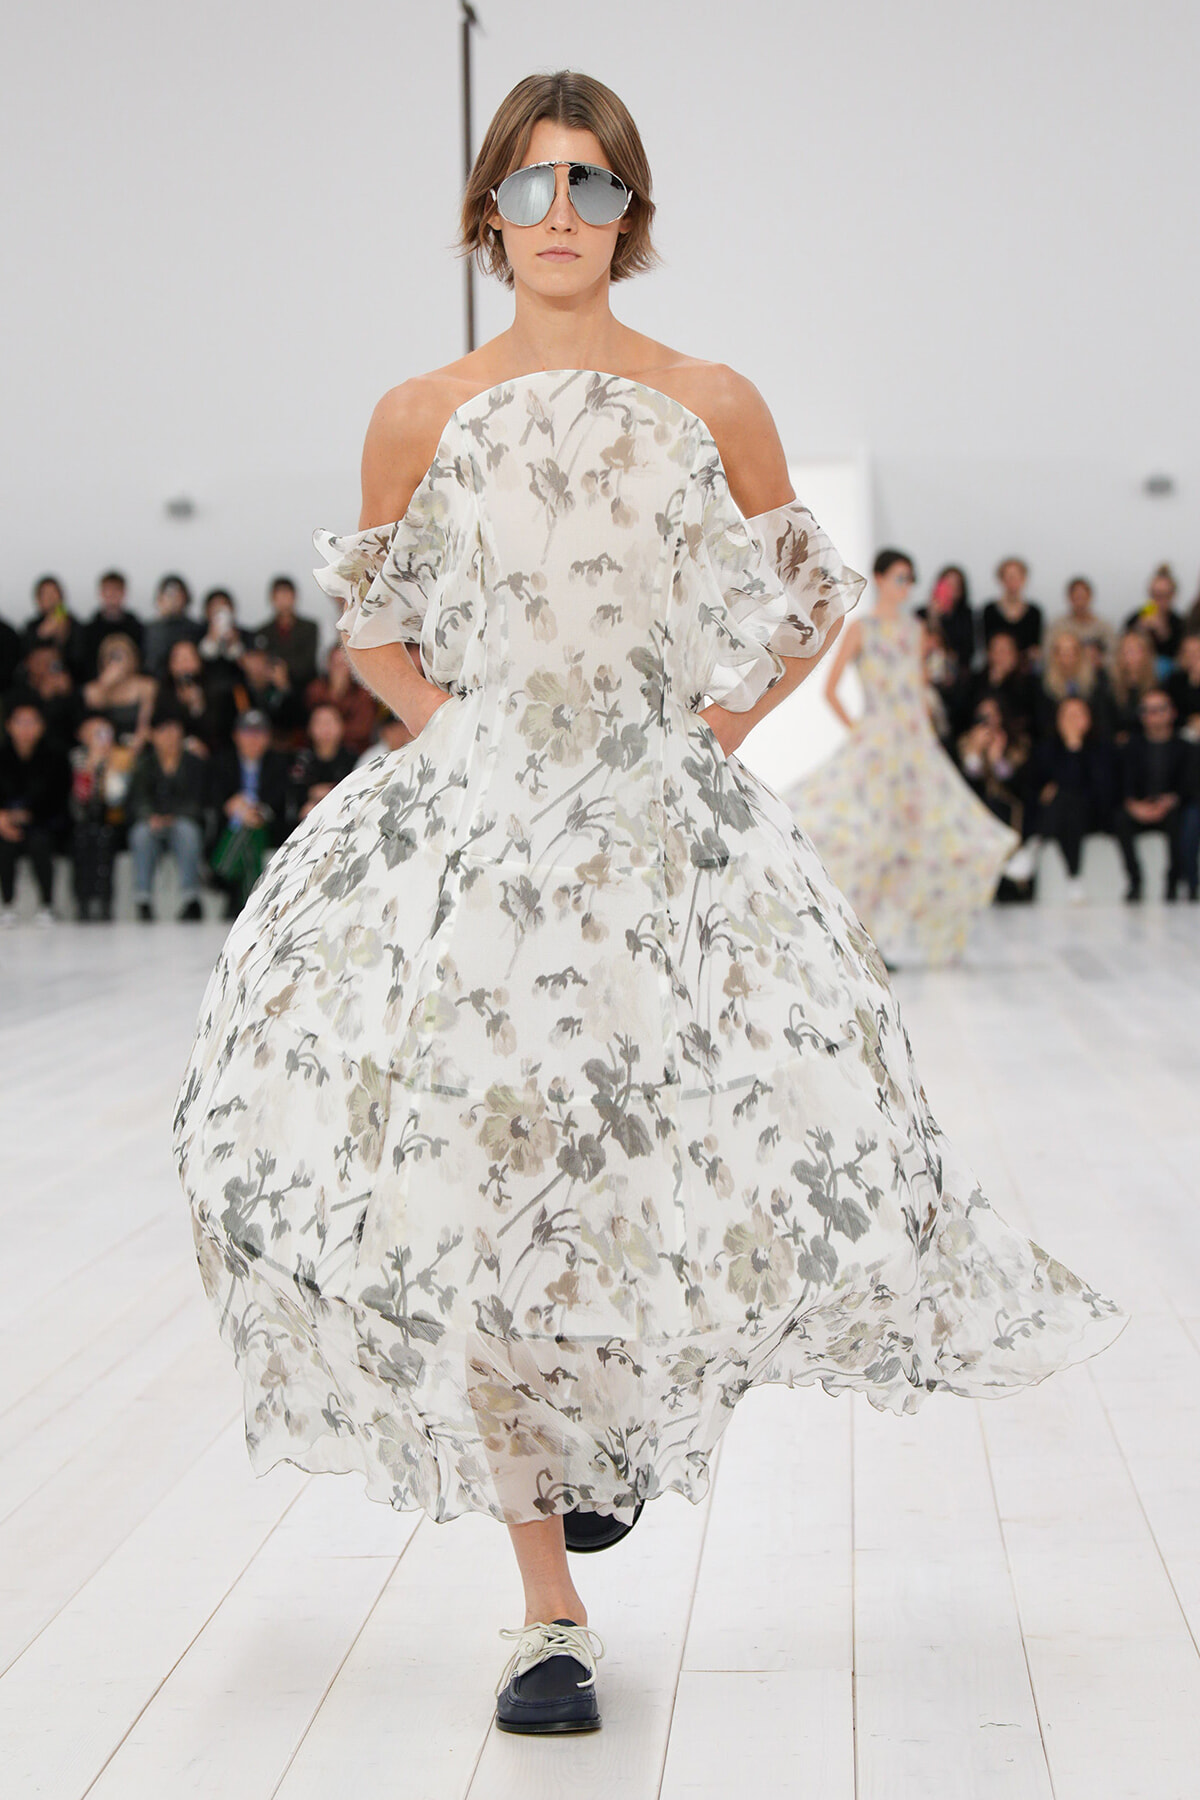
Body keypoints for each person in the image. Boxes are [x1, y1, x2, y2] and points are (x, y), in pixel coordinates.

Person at [172, 70, 1128, 1736]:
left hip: (659, 837)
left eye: (594, 185)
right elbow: (375, 631)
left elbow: (804, 597)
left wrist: (710, 741)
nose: (562, 215)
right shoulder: (420, 411)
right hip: (475, 841)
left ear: (634, 213)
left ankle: (596, 1428)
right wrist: (461, 738)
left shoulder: (709, 397)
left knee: (658, 1152)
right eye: (531, 185)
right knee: (474, 1178)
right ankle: (546, 1610)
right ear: (487, 213)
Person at [786, 548, 1019, 962]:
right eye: (899, 577)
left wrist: (925, 732)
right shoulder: (862, 629)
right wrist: (861, 731)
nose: (906, 586)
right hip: (879, 745)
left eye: (910, 579)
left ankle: (891, 935)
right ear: (878, 578)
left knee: (915, 835)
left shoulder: (914, 629)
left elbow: (917, 688)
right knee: (870, 836)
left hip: (912, 745)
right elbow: (830, 689)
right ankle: (862, 933)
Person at [1026, 696, 1116, 902]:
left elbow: (1101, 788)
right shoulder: (1046, 749)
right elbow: (1035, 788)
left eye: (1078, 715)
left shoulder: (1101, 748)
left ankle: (1034, 844)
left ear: (1089, 719)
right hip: (1060, 815)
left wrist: (1075, 749)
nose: (1072, 721)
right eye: (1067, 715)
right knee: (1065, 803)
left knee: (1068, 798)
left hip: (1094, 813)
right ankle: (1074, 878)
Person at [204, 708, 290, 916]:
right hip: (229, 828)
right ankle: (247, 904)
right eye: (247, 733)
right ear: (236, 736)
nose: (253, 739)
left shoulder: (278, 764)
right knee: (248, 838)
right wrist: (233, 806)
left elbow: (278, 800)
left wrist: (256, 812)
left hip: (264, 825)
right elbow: (215, 797)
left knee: (251, 830)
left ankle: (222, 872)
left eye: (259, 733)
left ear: (268, 738)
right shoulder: (222, 762)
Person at [125, 708, 208, 920]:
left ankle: (191, 898)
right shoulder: (144, 763)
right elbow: (138, 798)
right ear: (153, 735)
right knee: (141, 834)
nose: (169, 736)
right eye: (163, 731)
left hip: (182, 820)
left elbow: (199, 798)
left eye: (174, 730)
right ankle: (143, 899)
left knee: (188, 832)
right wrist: (150, 816)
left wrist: (175, 816)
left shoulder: (194, 763)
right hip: (153, 821)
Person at [1113, 689, 1195, 901]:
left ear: (1172, 712)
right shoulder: (1130, 747)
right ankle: (1135, 881)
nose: (1154, 715)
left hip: (1171, 808)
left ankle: (1173, 883)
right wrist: (1133, 805)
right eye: (1148, 710)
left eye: (1160, 709)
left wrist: (1171, 801)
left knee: (1182, 822)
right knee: (1120, 820)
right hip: (1140, 806)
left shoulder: (1186, 748)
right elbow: (1122, 782)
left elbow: (1190, 785)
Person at [0, 700, 70, 926]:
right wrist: (3, 819)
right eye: (20, 722)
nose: (26, 728)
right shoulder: (3, 755)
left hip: (44, 823)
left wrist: (29, 816)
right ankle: (7, 904)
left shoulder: (55, 757)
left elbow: (58, 798)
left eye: (32, 722)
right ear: (9, 725)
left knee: (40, 843)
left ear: (42, 726)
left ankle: (47, 904)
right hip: (6, 823)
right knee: (5, 845)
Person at [68, 713, 130, 921]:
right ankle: (83, 900)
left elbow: (116, 798)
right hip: (84, 819)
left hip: (112, 820)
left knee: (104, 839)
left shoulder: (121, 756)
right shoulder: (78, 757)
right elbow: (80, 799)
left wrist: (110, 767)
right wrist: (90, 768)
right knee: (83, 840)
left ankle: (105, 900)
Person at [81, 632, 157, 752]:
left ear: (132, 658)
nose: (116, 661)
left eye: (121, 655)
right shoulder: (94, 688)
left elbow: (145, 724)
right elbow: (93, 707)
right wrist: (105, 685)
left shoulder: (146, 685)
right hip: (105, 745)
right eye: (112, 656)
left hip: (134, 742)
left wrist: (134, 748)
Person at [285, 702, 358, 827]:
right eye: (319, 723)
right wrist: (310, 794)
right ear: (310, 728)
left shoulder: (353, 759)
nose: (325, 728)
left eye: (330, 722)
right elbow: (293, 796)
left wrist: (329, 793)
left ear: (342, 726)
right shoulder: (300, 759)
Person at [305, 640, 383, 755]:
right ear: (328, 665)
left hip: (355, 751)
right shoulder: (316, 689)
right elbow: (308, 720)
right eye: (335, 664)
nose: (338, 670)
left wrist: (331, 731)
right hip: (318, 750)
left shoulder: (363, 694)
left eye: (342, 664)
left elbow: (363, 729)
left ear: (351, 667)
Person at [251, 575, 320, 690]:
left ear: (294, 597)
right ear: (272, 599)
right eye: (279, 597)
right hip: (272, 686)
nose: (283, 601)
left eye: (286, 596)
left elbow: (308, 661)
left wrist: (283, 667)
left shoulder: (309, 627)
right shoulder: (263, 631)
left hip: (304, 685)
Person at [19, 575, 88, 683]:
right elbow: (24, 657)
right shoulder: (32, 627)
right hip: (38, 680)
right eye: (46, 594)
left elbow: (80, 659)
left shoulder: (74, 625)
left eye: (53, 593)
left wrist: (62, 636)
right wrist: (40, 635)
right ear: (39, 600)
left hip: (70, 679)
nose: (50, 599)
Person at [79, 569, 144, 681]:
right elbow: (85, 663)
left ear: (124, 593)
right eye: (108, 590)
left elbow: (141, 659)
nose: (112, 594)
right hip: (100, 682)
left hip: (131, 681)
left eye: (116, 590)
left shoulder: (136, 627)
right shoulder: (89, 630)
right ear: (101, 593)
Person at [981, 557, 1044, 671]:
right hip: (996, 669)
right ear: (1001, 580)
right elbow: (987, 648)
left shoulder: (1035, 612)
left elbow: (1035, 649)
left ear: (1024, 579)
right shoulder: (989, 611)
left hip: (1026, 670)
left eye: (1016, 577)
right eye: (1009, 577)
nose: (1012, 581)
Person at [1124, 564, 1184, 678]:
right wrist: (1140, 629)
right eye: (1155, 595)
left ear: (1172, 596)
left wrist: (1163, 633)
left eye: (1163, 595)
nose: (1158, 600)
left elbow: (1180, 654)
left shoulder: (1178, 622)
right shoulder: (1139, 616)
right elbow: (1124, 643)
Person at [141, 574, 202, 678]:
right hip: (155, 678)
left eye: (177, 595)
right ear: (160, 598)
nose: (173, 600)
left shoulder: (195, 628)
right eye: (169, 595)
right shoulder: (149, 628)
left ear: (185, 597)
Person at [1048, 575, 1113, 669]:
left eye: (1083, 597)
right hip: (1064, 673)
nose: (1080, 602)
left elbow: (1114, 654)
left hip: (1097, 672)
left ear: (1090, 597)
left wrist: (1100, 660)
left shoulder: (1104, 626)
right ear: (1069, 598)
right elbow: (1048, 654)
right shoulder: (1058, 625)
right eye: (1077, 597)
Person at [1109, 627, 1158, 743]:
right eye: (1125, 651)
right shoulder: (1108, 686)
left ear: (1146, 653)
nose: (1129, 655)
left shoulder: (1158, 687)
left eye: (1135, 650)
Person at [1166, 630, 1200, 740]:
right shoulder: (1174, 681)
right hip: (1183, 732)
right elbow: (1171, 711)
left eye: (1197, 651)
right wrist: (1193, 683)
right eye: (1188, 652)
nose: (1193, 656)